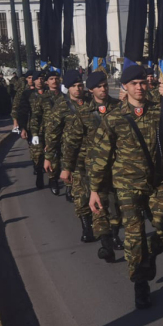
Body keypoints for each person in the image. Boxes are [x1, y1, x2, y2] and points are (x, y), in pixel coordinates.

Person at [88, 64, 163, 310]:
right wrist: (95, 190)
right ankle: (141, 284)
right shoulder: (114, 118)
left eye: (143, 83)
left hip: (156, 183)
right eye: (134, 84)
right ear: (125, 87)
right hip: (127, 187)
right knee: (134, 236)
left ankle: (145, 257)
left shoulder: (161, 111)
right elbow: (100, 156)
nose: (140, 87)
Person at [64, 70, 124, 261]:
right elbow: (72, 142)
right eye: (99, 86)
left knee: (119, 204)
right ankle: (105, 243)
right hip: (94, 167)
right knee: (99, 205)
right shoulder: (84, 113)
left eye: (105, 85)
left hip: (119, 165)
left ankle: (114, 233)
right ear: (91, 90)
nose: (103, 89)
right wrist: (67, 168)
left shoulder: (120, 107)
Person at [43, 70, 95, 241]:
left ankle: (105, 226)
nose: (78, 88)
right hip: (74, 156)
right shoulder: (61, 106)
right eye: (74, 86)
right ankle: (86, 227)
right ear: (68, 87)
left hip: (96, 154)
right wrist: (48, 156)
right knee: (81, 192)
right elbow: (52, 133)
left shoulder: (91, 101)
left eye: (80, 85)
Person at [29, 68, 64, 193]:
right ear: (47, 82)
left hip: (62, 133)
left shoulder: (65, 98)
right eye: (51, 79)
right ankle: (45, 177)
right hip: (44, 133)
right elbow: (35, 117)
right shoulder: (42, 98)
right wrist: (34, 134)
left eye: (56, 78)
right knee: (42, 157)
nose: (54, 81)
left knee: (60, 158)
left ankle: (58, 181)